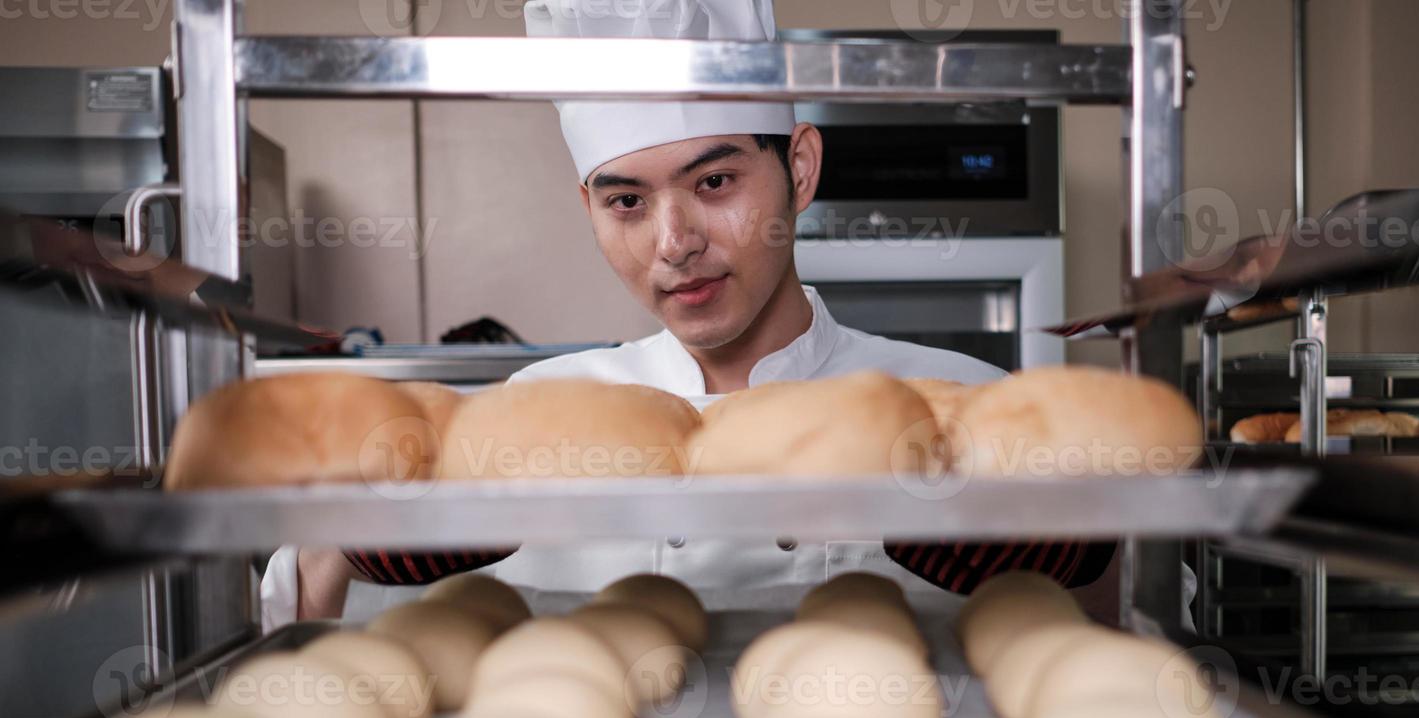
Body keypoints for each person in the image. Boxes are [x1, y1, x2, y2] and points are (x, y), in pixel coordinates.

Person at [261, 0, 1115, 630]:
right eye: (626, 201)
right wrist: (342, 532)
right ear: (588, 208)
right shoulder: (523, 423)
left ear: (802, 169)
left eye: (714, 183)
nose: (673, 243)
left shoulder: (972, 405)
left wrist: (1076, 555)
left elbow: (1122, 631)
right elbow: (299, 625)